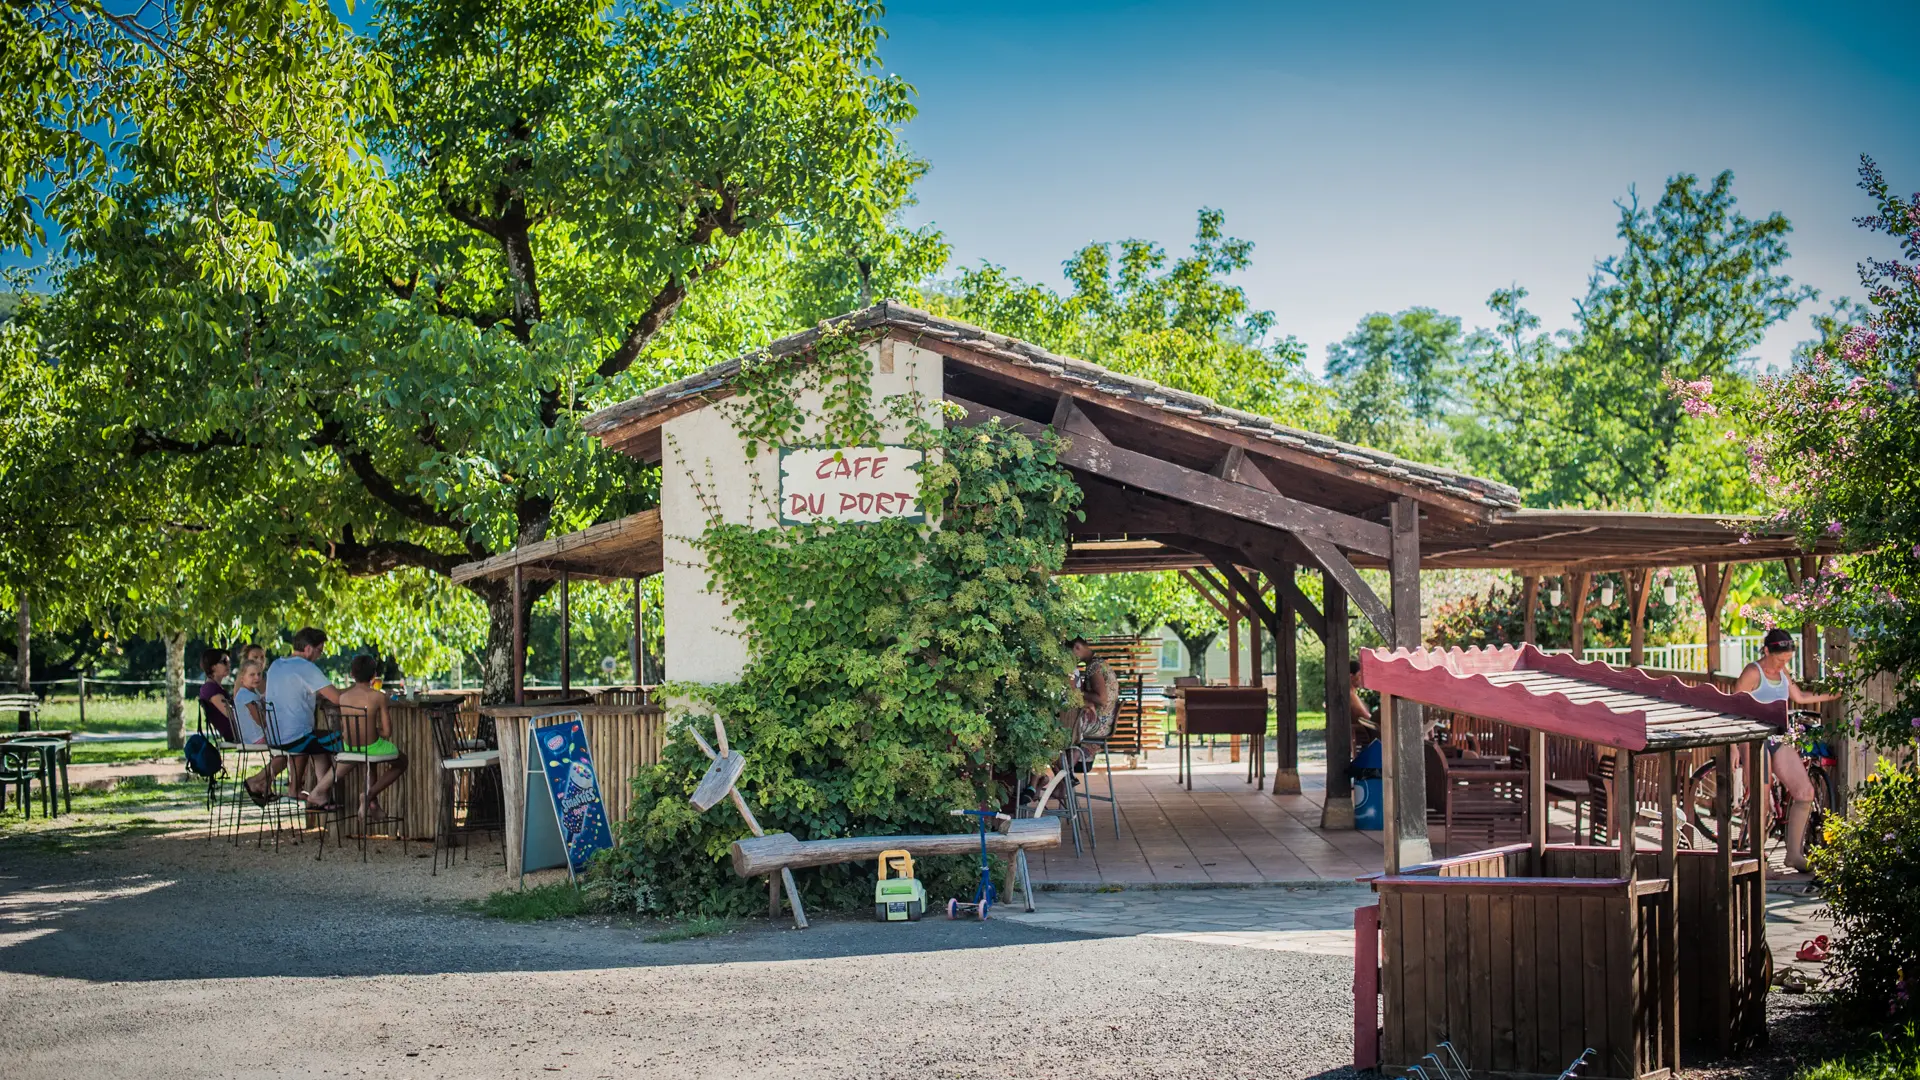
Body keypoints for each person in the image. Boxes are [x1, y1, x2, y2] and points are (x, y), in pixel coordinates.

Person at [1733, 627, 1839, 875]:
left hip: (1778, 737)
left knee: (1805, 792)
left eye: (1787, 660)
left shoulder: (1782, 672)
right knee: (1762, 798)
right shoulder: (1752, 672)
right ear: (1767, 650)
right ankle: (1758, 859)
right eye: (1779, 659)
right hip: (1754, 740)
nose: (1783, 664)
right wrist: (1734, 748)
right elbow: (1732, 708)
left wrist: (1833, 695)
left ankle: (1794, 855)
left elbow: (1800, 697)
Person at [245, 627, 344, 811]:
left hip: (275, 736)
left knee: (319, 745)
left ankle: (318, 795)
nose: (319, 655)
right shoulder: (306, 667)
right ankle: (316, 794)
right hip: (296, 738)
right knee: (340, 742)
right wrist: (362, 692)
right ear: (308, 649)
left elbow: (292, 692)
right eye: (319, 650)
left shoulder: (276, 665)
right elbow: (337, 698)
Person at [338, 653, 408, 819]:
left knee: (372, 760)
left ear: (352, 674)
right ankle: (369, 795)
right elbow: (387, 732)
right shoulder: (378, 696)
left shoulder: (342, 697)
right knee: (402, 761)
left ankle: (373, 804)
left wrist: (367, 729)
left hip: (350, 748)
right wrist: (373, 730)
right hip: (371, 747)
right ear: (374, 675)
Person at [196, 648, 237, 743]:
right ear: (213, 666)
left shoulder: (214, 687)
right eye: (224, 662)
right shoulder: (210, 688)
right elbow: (231, 714)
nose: (229, 665)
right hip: (235, 734)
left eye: (229, 662)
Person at [231, 660, 269, 746]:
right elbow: (260, 721)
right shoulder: (248, 696)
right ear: (242, 678)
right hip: (257, 739)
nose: (257, 677)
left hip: (247, 739)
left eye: (259, 674)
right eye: (252, 675)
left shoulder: (245, 693)